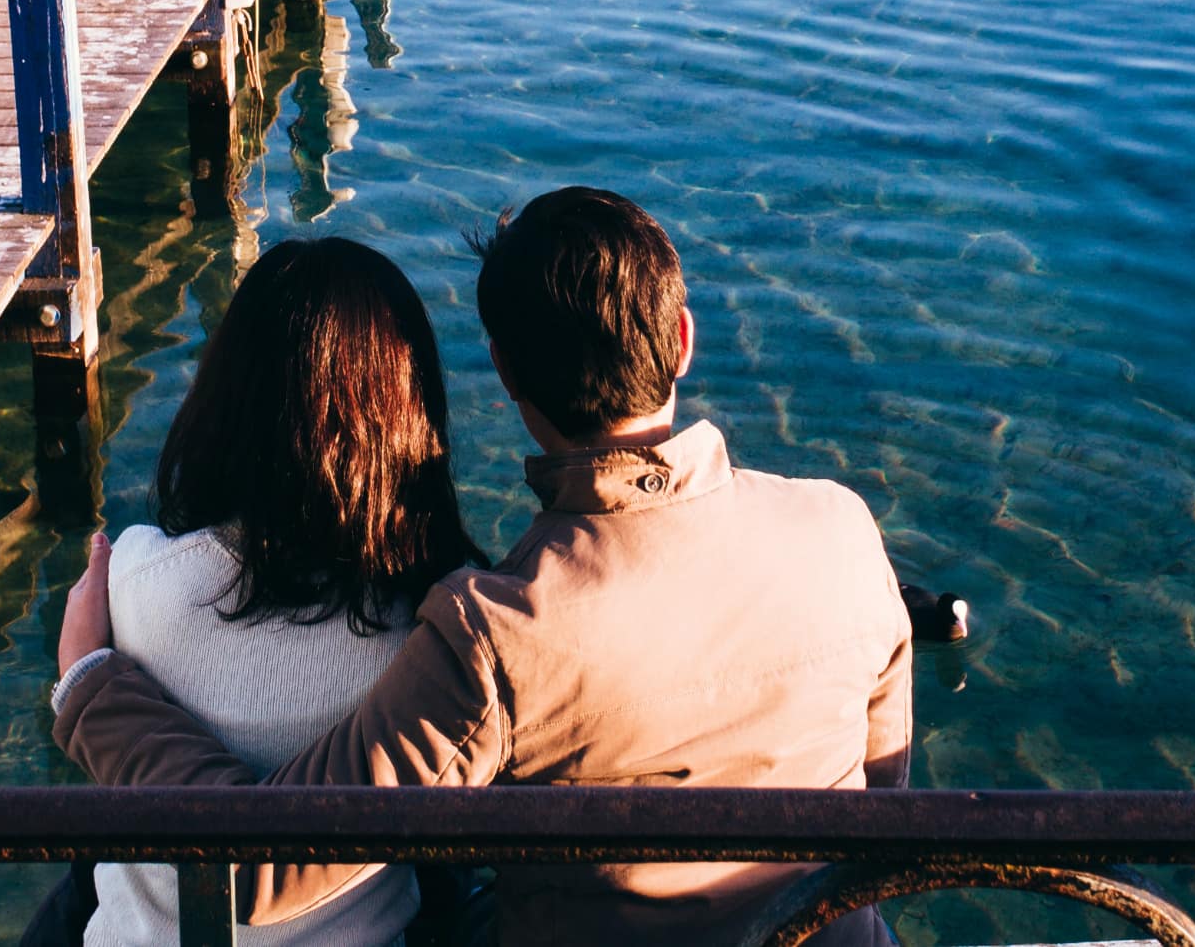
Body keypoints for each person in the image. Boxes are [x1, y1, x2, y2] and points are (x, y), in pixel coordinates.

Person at [54, 188, 913, 947]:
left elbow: (260, 871)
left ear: (502, 371)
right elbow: (882, 796)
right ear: (683, 339)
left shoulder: (500, 631)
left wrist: (90, 683)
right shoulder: (841, 526)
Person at [67, 236, 484, 947]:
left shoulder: (134, 579)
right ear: (411, 421)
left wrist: (80, 672)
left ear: (228, 395)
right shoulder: (428, 632)